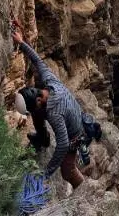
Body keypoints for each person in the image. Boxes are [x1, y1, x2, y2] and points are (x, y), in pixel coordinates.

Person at [10, 20, 87, 187]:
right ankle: (42, 138)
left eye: (31, 107)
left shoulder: (55, 114)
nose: (30, 112)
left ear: (38, 99)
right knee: (38, 112)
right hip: (72, 113)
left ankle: (87, 191)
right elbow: (37, 61)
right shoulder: (49, 82)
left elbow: (63, 144)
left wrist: (47, 174)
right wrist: (21, 43)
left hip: (76, 134)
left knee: (68, 172)